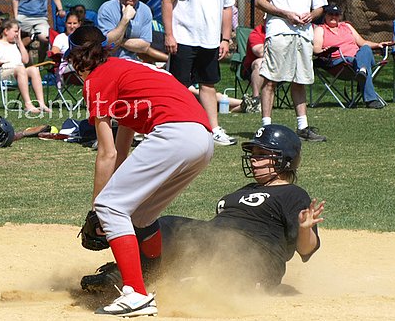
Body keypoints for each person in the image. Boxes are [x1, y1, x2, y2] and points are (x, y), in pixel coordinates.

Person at [68, 25, 214, 317]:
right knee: (140, 215)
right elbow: (122, 151)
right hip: (203, 138)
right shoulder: (128, 69)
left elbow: (107, 153)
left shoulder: (97, 78)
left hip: (174, 133)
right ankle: (151, 281)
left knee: (110, 206)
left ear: (76, 60)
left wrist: (98, 209)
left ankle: (135, 294)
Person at [81, 124, 324, 293]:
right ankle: (131, 277)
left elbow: (306, 251)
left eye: (263, 154)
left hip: (254, 260)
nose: (254, 159)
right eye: (253, 153)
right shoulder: (242, 191)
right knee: (160, 225)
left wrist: (305, 229)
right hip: (215, 242)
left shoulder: (293, 194)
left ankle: (191, 285)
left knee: (194, 239)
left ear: (284, 160)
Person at [160, 0, 237, 146]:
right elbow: (167, 0)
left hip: (211, 40)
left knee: (208, 84)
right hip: (183, 38)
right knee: (178, 86)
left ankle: (213, 129)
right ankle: (175, 128)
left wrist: (225, 38)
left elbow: (227, 7)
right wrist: (169, 35)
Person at [254, 0, 328, 142]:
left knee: (301, 80)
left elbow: (320, 7)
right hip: (279, 32)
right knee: (271, 80)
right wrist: (285, 13)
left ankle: (303, 127)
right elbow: (260, 0)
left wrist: (311, 15)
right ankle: (266, 127)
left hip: (303, 34)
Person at [313, 4, 392, 109]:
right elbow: (316, 49)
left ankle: (362, 70)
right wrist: (324, 50)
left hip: (357, 60)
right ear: (325, 16)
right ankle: (370, 98)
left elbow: (362, 42)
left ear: (339, 16)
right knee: (358, 60)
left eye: (336, 14)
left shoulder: (346, 26)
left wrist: (378, 45)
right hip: (340, 63)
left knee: (366, 49)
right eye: (330, 14)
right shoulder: (320, 29)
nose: (333, 16)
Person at [0, 17, 51, 113]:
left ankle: (41, 103)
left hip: (17, 72)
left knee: (34, 69)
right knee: (20, 69)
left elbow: (26, 60)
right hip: (1, 72)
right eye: (15, 31)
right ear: (6, 31)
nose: (17, 34)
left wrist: (19, 42)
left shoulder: (15, 45)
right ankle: (28, 104)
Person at [97, 0, 166, 63]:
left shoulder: (145, 10)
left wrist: (120, 41)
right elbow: (108, 45)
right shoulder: (107, 9)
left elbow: (144, 46)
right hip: (109, 61)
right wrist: (125, 19)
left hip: (133, 62)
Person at [242, 21, 266, 113]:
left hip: (281, 68)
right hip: (253, 70)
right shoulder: (258, 32)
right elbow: (259, 52)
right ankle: (256, 99)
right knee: (260, 62)